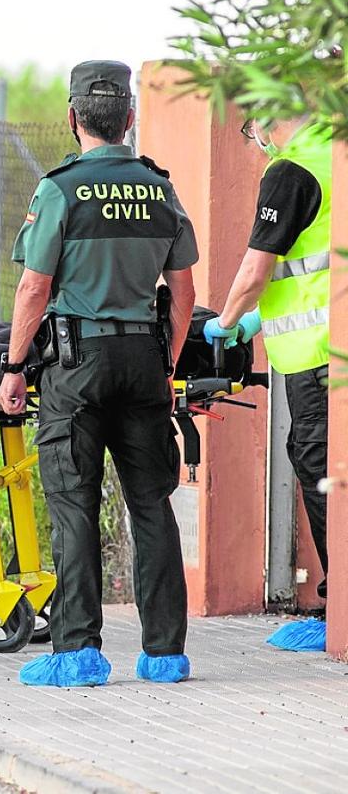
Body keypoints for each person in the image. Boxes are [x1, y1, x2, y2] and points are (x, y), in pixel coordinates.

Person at [0, 60, 199, 687]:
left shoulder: (59, 189)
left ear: (73, 117)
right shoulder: (158, 188)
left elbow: (35, 286)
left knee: (74, 506)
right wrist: (165, 361)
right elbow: (184, 289)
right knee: (151, 505)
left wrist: (12, 368)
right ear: (130, 120)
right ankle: (165, 654)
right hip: (144, 359)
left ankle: (78, 652)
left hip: (76, 366)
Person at [203, 115, 332, 651]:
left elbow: (258, 271)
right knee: (308, 455)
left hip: (316, 355)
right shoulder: (335, 148)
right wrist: (259, 319)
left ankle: (340, 604)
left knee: (319, 463)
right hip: (333, 342)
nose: (254, 139)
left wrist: (227, 324)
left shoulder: (290, 169)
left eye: (252, 124)